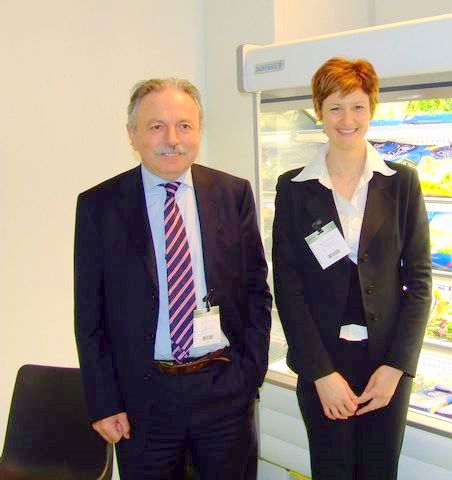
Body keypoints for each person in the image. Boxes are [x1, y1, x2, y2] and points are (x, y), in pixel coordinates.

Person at [74, 77, 272, 479]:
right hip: (144, 398)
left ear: (199, 131)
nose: (172, 140)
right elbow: (89, 315)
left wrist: (249, 373)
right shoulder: (100, 206)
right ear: (132, 134)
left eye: (184, 126)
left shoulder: (232, 194)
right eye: (156, 126)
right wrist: (104, 402)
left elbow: (256, 290)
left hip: (223, 388)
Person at [272, 57, 432, 479]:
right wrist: (320, 373)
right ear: (319, 111)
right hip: (323, 362)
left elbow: (419, 282)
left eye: (358, 106)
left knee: (380, 471)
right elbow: (288, 286)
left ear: (372, 108)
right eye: (335, 108)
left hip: (385, 364)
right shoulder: (293, 187)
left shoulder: (401, 182)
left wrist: (396, 367)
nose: (347, 120)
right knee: (332, 471)